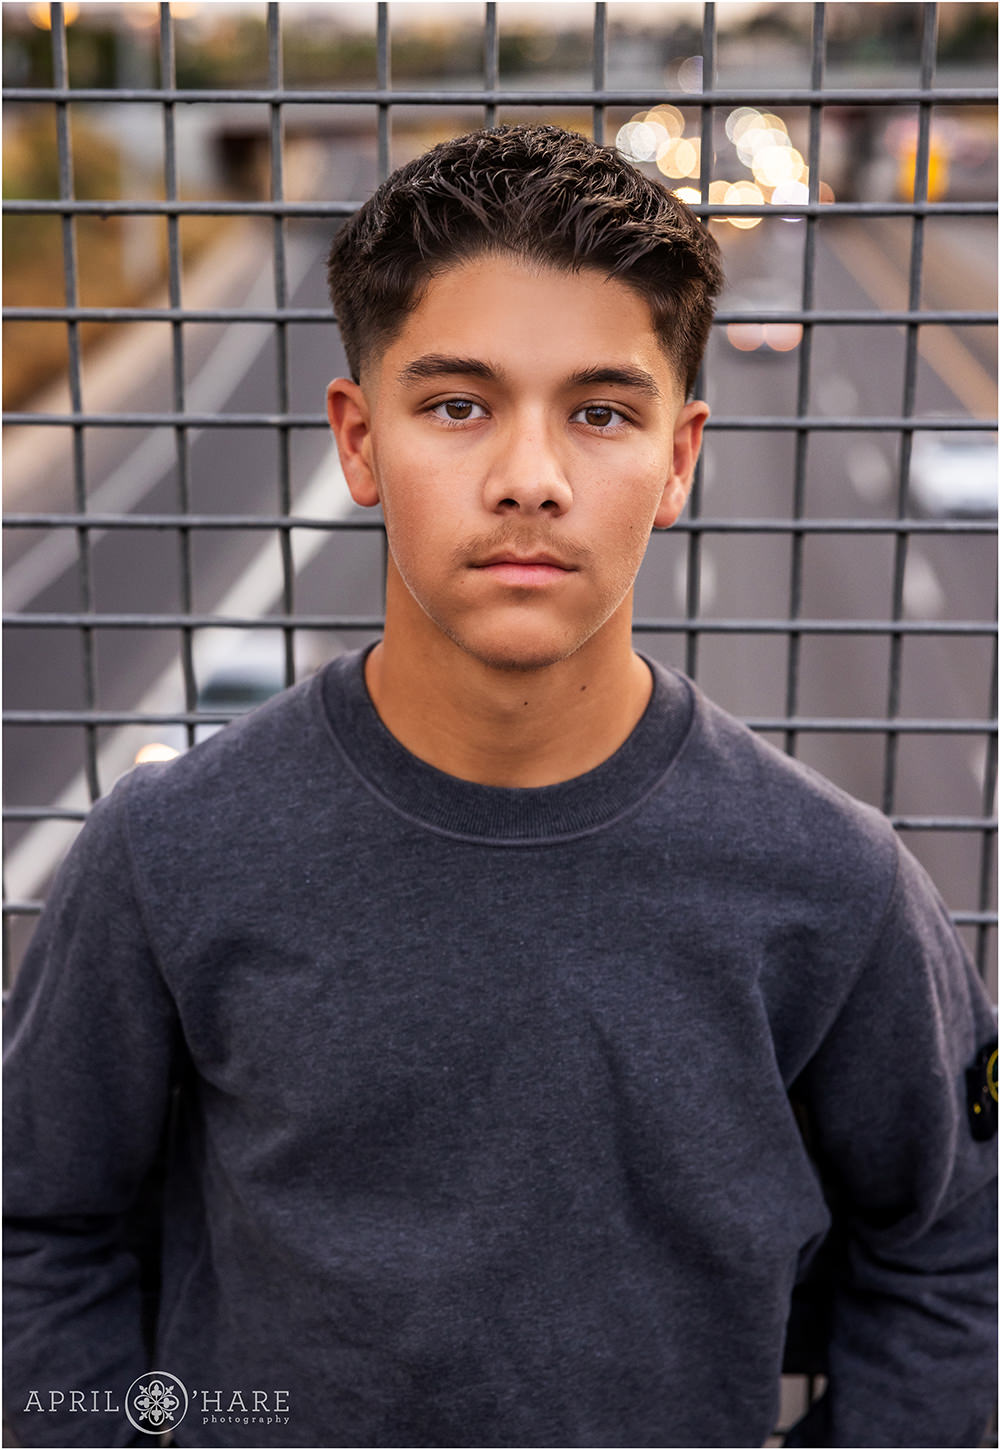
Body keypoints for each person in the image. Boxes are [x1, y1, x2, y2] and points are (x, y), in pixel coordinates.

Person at [3, 124, 996, 1450]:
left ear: (681, 459)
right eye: (459, 403)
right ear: (359, 441)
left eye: (601, 410)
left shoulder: (837, 885)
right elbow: (37, 1226)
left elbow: (955, 1248)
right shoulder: (167, 852)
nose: (530, 477)